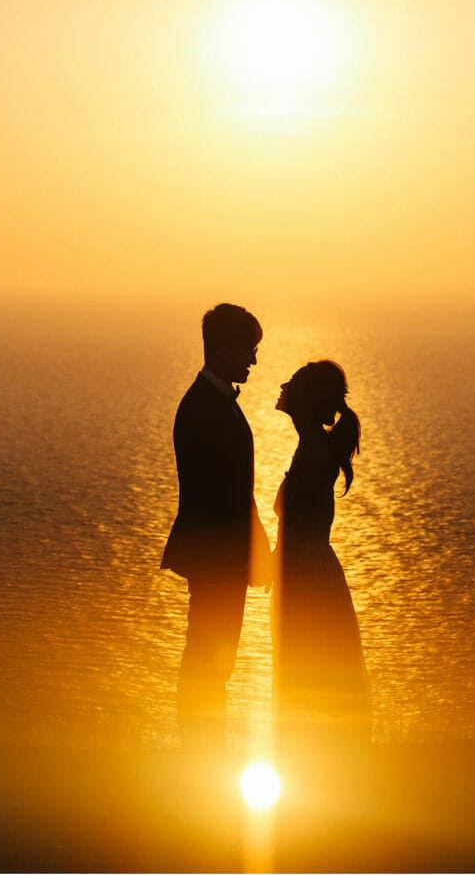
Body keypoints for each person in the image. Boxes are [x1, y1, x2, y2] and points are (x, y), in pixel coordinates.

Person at [160, 303, 272, 752]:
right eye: (249, 349)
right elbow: (220, 493)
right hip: (217, 555)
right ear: (223, 346)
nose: (254, 360)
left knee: (213, 655)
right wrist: (249, 550)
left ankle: (206, 746)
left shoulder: (210, 402)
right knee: (209, 653)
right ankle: (201, 749)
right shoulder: (204, 407)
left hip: (222, 552)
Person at [270, 360, 370, 757]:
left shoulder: (313, 451)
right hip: (304, 572)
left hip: (306, 580)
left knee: (307, 668)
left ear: (308, 400)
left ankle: (312, 759)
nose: (284, 387)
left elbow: (299, 522)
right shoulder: (311, 446)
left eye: (292, 384)